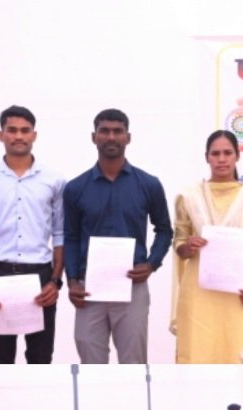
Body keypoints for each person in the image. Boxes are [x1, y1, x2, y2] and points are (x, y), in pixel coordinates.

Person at [63, 108, 173, 364]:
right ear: (94, 137)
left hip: (132, 286)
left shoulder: (149, 184)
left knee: (133, 362)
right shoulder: (76, 188)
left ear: (128, 137)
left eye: (117, 131)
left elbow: (164, 230)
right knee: (90, 362)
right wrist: (72, 281)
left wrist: (151, 264)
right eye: (104, 131)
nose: (111, 137)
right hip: (89, 290)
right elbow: (70, 237)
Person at [0, 105, 65, 363]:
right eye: (12, 130)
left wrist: (55, 281)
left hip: (40, 275)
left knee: (41, 358)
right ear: (1, 135)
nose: (19, 136)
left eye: (25, 130)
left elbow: (60, 234)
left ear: (34, 135)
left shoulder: (54, 180)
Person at [172, 130, 243, 362]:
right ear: (207, 157)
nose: (222, 159)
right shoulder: (188, 197)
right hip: (198, 295)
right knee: (198, 356)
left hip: (238, 294)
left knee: (238, 355)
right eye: (215, 154)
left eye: (227, 153)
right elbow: (179, 241)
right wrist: (189, 246)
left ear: (237, 155)